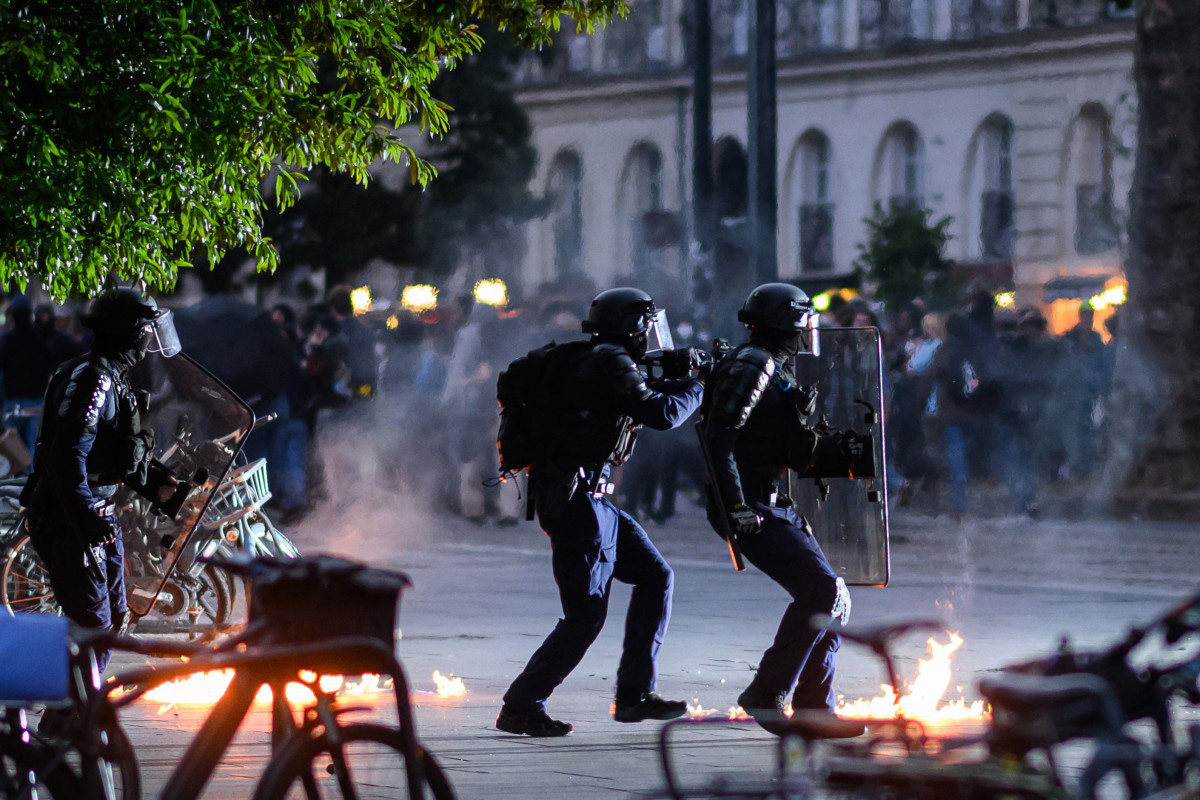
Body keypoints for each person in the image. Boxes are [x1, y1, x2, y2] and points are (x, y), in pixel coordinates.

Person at [497, 288, 705, 737]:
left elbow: (641, 394)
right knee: (585, 615)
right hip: (577, 502)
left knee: (655, 575)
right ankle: (521, 704)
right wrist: (699, 386)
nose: (653, 335)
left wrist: (682, 372)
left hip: (585, 498)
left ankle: (635, 695)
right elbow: (663, 412)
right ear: (633, 328)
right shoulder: (611, 362)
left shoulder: (591, 359)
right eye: (647, 326)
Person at [700, 283, 855, 731]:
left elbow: (773, 440)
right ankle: (767, 693)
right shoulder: (753, 366)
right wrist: (736, 506)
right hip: (750, 504)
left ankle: (814, 709)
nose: (810, 329)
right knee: (822, 592)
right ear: (788, 323)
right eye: (805, 319)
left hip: (770, 499)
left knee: (834, 597)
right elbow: (719, 438)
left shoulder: (772, 366)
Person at [20, 289, 181, 673]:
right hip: (70, 519)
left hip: (96, 516)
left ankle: (70, 716)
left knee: (114, 619)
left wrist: (157, 481)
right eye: (145, 329)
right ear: (130, 332)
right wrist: (84, 518)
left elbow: (110, 453)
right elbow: (67, 456)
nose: (149, 339)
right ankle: (67, 719)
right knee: (92, 626)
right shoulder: (93, 380)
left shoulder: (112, 377)